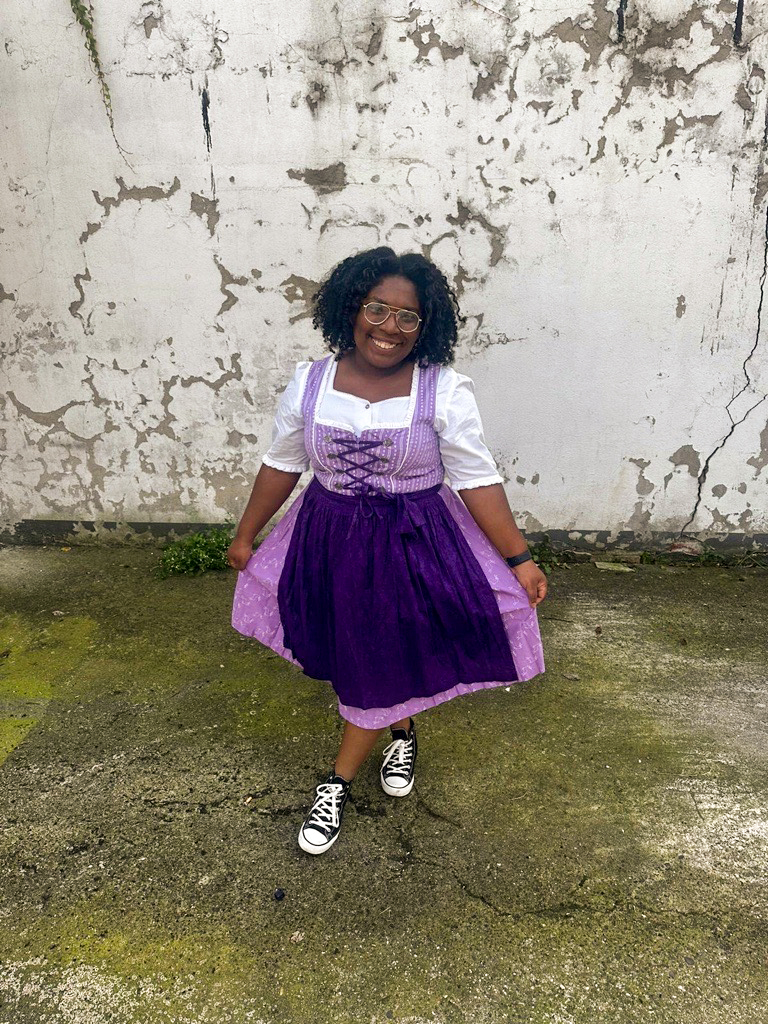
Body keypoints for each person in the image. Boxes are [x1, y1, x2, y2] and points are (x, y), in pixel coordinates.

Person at [228, 246, 547, 855]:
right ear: (352, 308)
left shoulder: (442, 390)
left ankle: (337, 781)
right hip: (328, 539)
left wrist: (519, 558)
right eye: (377, 309)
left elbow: (476, 479)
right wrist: (247, 535)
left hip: (414, 543)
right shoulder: (310, 382)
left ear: (426, 327)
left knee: (376, 655)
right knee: (364, 651)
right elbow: (282, 463)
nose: (390, 327)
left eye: (408, 316)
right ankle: (401, 729)